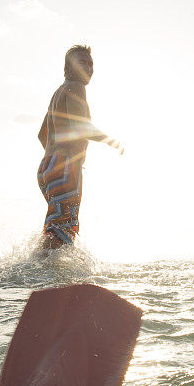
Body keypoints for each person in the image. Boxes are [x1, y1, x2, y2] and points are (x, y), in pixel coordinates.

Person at [36, 45, 124, 247]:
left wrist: (54, 160)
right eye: (82, 62)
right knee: (62, 232)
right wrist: (111, 141)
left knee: (56, 228)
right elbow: (80, 126)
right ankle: (45, 274)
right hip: (64, 166)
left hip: (46, 168)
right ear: (68, 67)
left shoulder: (58, 92)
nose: (88, 67)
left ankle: (41, 271)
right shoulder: (76, 87)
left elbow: (42, 135)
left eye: (90, 63)